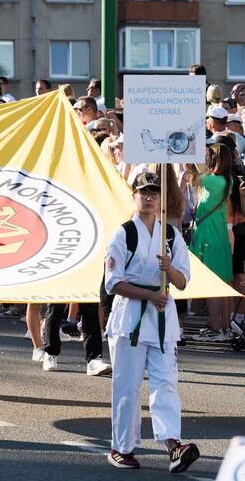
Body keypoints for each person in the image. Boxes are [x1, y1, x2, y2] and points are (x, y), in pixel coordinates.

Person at [104, 172, 200, 473]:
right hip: (130, 318)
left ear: (161, 198)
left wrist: (168, 268)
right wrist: (149, 295)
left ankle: (174, 446)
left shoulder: (170, 235)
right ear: (134, 196)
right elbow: (113, 283)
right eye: (143, 192)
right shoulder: (123, 234)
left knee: (165, 383)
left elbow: (182, 282)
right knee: (128, 386)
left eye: (154, 193)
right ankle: (121, 447)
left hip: (162, 319)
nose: (149, 197)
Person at [190, 143, 237, 341]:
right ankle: (224, 328)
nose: (206, 158)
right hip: (219, 238)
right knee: (222, 285)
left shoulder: (212, 180)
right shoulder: (227, 180)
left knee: (213, 286)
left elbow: (194, 176)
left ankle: (216, 329)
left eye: (210, 155)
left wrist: (192, 149)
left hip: (210, 237)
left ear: (216, 159)